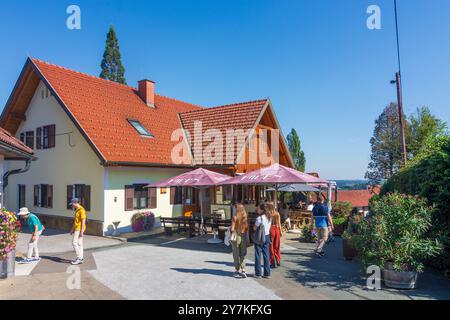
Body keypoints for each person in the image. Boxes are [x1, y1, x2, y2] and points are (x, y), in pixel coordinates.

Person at [230, 204, 249, 278]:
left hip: (236, 237)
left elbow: (232, 229)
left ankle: (237, 270)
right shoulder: (245, 217)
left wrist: (231, 231)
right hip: (243, 236)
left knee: (236, 254)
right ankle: (243, 270)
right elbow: (247, 228)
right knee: (243, 254)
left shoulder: (235, 217)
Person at [253, 203, 271, 279]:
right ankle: (267, 273)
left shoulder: (259, 218)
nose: (258, 209)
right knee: (266, 254)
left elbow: (254, 228)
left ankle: (258, 273)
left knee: (258, 254)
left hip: (260, 237)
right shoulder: (269, 217)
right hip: (267, 236)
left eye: (259, 208)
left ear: (262, 210)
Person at [69, 198, 86, 265]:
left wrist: (81, 231)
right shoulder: (77, 210)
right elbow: (76, 221)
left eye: (72, 204)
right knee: (79, 244)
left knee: (74, 243)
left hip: (79, 229)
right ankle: (81, 258)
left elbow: (83, 221)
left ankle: (79, 258)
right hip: (77, 228)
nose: (72, 205)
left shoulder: (81, 210)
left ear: (75, 203)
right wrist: (72, 229)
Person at [267, 202, 282, 268]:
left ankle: (272, 262)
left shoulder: (268, 214)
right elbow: (279, 223)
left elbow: (267, 224)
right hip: (277, 229)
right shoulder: (277, 213)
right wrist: (280, 231)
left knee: (271, 247)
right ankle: (278, 260)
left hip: (271, 229)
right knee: (277, 246)